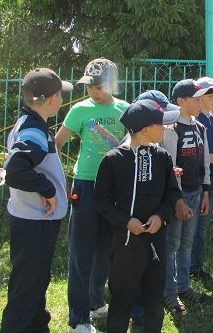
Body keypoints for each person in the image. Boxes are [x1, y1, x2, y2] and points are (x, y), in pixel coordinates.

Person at [94, 99, 185, 333]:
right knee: (121, 299)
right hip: (124, 245)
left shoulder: (162, 157)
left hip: (155, 244)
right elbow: (101, 202)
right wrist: (126, 222)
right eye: (161, 124)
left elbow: (172, 193)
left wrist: (161, 216)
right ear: (145, 129)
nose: (165, 128)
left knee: (154, 298)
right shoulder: (114, 160)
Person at [56, 58, 129, 333]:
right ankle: (78, 320)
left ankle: (96, 302)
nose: (93, 92)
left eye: (97, 87)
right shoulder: (79, 110)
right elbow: (57, 143)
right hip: (85, 185)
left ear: (111, 85)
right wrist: (59, 179)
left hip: (114, 189)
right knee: (81, 252)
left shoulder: (125, 110)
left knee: (106, 250)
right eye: (89, 86)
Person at [0, 68, 73, 333]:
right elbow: (16, 170)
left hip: (32, 217)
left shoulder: (30, 123)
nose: (63, 101)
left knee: (34, 282)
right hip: (35, 221)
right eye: (61, 96)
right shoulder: (33, 130)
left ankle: (37, 326)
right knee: (27, 287)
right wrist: (49, 190)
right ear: (53, 99)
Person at [162, 79, 213, 315]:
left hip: (195, 194)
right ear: (180, 102)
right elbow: (170, 167)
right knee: (172, 244)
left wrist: (205, 192)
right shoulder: (172, 130)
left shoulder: (200, 127)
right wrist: (177, 200)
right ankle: (168, 293)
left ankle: (183, 287)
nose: (200, 102)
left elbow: (204, 163)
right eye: (195, 99)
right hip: (178, 198)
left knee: (187, 243)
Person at [190, 76, 213, 281]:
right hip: (199, 180)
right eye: (210, 94)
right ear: (199, 97)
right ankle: (190, 267)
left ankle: (196, 266)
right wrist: (208, 157)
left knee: (202, 225)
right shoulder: (196, 121)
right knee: (194, 226)